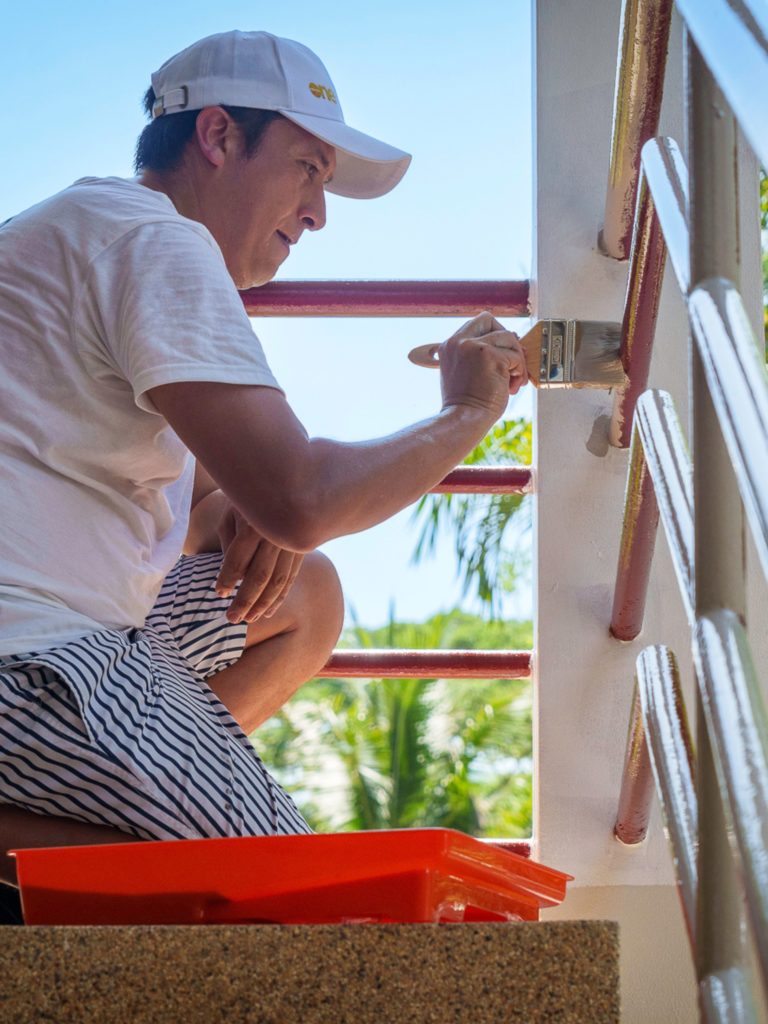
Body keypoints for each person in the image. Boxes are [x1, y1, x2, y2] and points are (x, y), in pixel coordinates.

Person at [0, 30, 527, 887]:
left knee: (302, 589)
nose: (318, 212)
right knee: (293, 894)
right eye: (307, 168)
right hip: (32, 663)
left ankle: (115, 827)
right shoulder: (156, 241)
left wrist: (251, 507)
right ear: (217, 137)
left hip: (72, 634)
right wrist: (472, 408)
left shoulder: (85, 229)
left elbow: (232, 507)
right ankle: (152, 847)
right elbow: (304, 495)